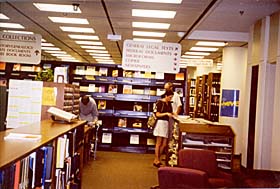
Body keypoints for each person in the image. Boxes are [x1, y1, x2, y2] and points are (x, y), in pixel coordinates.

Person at [153, 90, 174, 168]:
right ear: (166, 96)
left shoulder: (169, 103)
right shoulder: (160, 102)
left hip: (166, 124)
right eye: (170, 97)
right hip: (160, 123)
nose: (171, 99)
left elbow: (170, 112)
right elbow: (157, 114)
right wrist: (166, 114)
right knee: (159, 143)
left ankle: (157, 159)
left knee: (164, 144)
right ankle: (157, 160)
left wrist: (173, 114)